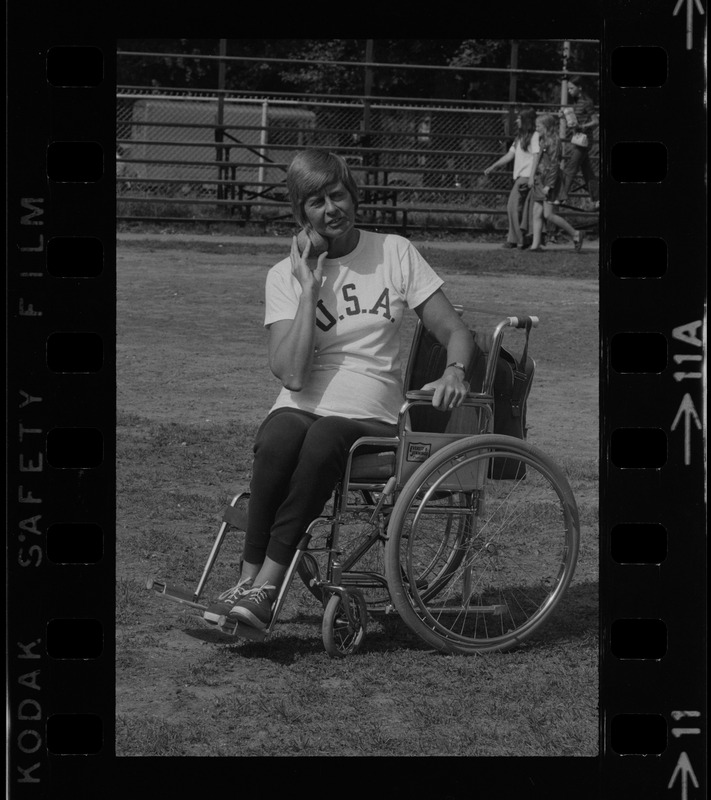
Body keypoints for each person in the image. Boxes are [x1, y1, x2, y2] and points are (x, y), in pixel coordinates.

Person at [203, 149, 475, 631]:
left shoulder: (394, 252)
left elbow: (456, 332)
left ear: (353, 196)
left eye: (338, 195)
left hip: (371, 412)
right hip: (302, 404)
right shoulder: (283, 276)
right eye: (316, 202)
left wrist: (455, 371)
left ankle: (266, 585)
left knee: (326, 435)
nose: (331, 209)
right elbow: (291, 376)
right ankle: (246, 585)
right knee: (279, 437)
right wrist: (309, 287)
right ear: (300, 214)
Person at [527, 114, 585, 252]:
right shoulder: (543, 139)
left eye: (538, 126)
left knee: (548, 214)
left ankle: (576, 233)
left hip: (548, 181)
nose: (536, 129)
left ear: (546, 126)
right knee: (536, 212)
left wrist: (549, 185)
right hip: (540, 179)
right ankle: (535, 245)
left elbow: (554, 164)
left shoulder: (554, 141)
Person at [483, 107, 539, 249]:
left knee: (513, 207)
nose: (517, 120)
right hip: (520, 176)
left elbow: (536, 156)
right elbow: (510, 155)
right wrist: (494, 166)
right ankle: (519, 238)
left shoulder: (534, 136)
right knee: (517, 208)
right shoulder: (520, 137)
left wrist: (532, 176)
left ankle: (516, 240)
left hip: (525, 177)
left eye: (520, 118)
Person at [558, 76, 600, 208]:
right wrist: (565, 116)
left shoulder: (587, 102)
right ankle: (598, 198)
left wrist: (584, 127)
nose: (569, 91)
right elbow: (576, 120)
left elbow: (595, 121)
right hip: (578, 139)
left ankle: (562, 196)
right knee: (587, 171)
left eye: (571, 88)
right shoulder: (576, 102)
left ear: (579, 88)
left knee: (571, 167)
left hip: (584, 140)